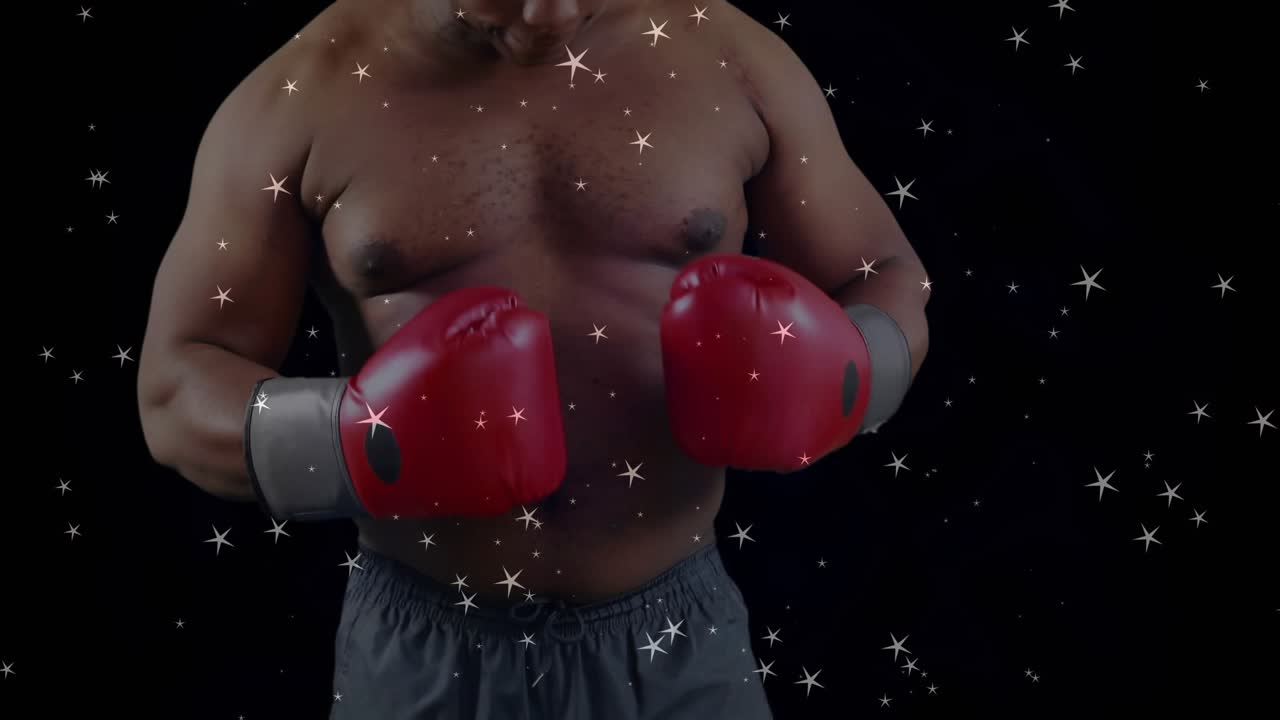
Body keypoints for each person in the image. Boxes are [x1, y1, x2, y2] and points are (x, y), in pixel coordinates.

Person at [136, 0, 930, 717]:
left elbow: (885, 276)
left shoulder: (728, 55)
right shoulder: (304, 91)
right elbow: (176, 388)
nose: (552, 12)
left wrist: (847, 375)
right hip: (422, 649)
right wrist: (357, 444)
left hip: (676, 638)